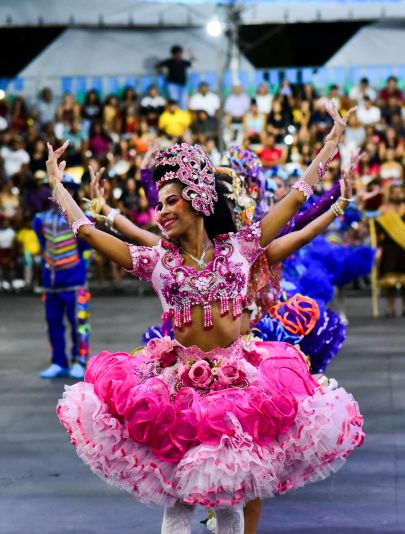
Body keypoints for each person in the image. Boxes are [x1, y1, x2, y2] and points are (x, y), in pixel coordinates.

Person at [49, 104, 363, 534]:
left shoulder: (241, 248)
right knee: (178, 502)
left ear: (197, 199)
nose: (161, 212)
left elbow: (296, 198)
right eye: (159, 205)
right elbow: (87, 231)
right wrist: (58, 186)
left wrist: (330, 144)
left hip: (241, 385)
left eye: (170, 201)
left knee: (230, 497)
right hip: (177, 390)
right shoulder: (156, 260)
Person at [34, 177, 92, 380]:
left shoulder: (81, 218)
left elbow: (87, 248)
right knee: (53, 323)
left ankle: (80, 360)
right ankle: (58, 361)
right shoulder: (41, 219)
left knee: (79, 323)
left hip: (75, 282)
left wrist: (79, 269)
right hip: (51, 283)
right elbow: (43, 245)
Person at [375, 184, 405, 317]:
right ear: (391, 195)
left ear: (403, 194)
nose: (397, 195)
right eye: (394, 193)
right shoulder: (384, 212)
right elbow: (377, 231)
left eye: (399, 193)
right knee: (390, 282)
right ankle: (390, 308)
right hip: (389, 250)